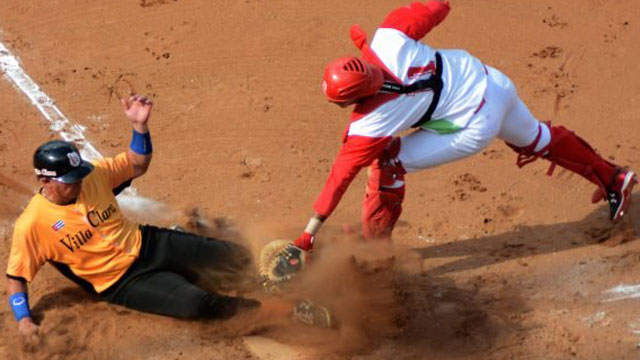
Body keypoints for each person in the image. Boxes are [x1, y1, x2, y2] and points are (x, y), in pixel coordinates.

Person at [271, 0, 637, 275]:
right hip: (492, 82)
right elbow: (438, 4)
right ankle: (614, 179)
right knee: (539, 138)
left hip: (473, 124)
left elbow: (338, 181)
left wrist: (308, 235)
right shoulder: (389, 38)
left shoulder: (371, 123)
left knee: (387, 161)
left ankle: (375, 255)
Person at [6, 95, 331, 341]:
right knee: (197, 305)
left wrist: (140, 126)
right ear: (45, 180)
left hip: (149, 242)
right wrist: (24, 319)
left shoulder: (93, 176)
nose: (78, 183)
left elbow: (136, 164)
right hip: (123, 282)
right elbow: (16, 275)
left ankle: (274, 283)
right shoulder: (33, 224)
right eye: (69, 181)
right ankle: (283, 313)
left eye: (78, 176)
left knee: (236, 258)